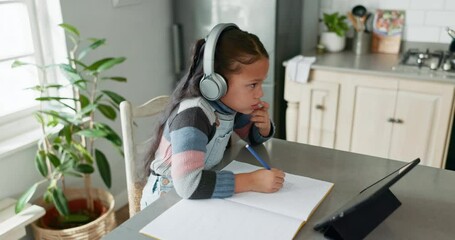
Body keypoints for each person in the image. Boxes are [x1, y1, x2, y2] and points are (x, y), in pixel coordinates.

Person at [140, 23, 285, 209]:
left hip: (201, 188)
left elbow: (252, 139)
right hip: (166, 198)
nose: (260, 94)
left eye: (260, 84)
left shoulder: (228, 106)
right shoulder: (193, 116)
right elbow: (188, 185)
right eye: (252, 85)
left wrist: (263, 127)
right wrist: (251, 181)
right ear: (217, 82)